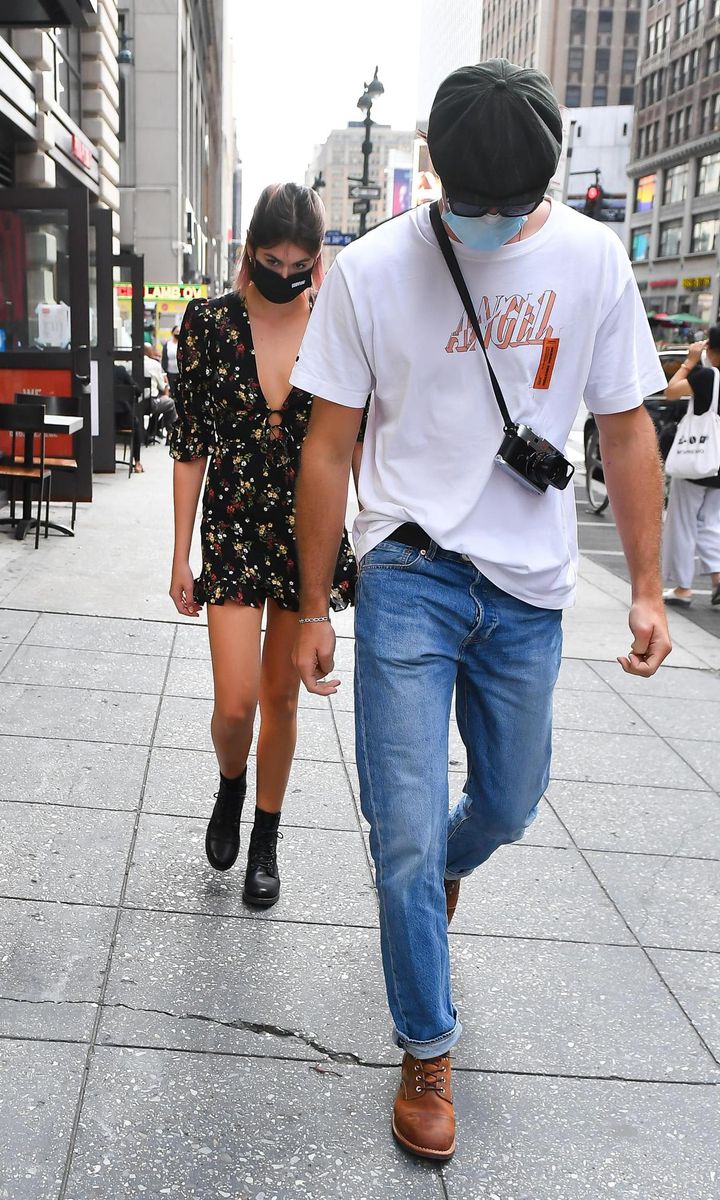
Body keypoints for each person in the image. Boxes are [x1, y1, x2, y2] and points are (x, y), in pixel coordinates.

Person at [290, 59, 672, 1161]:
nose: (494, 223)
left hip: (529, 590)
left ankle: (447, 871)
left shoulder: (594, 259)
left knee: (508, 803)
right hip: (408, 568)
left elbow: (627, 426)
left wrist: (646, 586)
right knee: (399, 835)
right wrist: (317, 605)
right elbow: (328, 444)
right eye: (474, 204)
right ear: (432, 171)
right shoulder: (370, 273)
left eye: (514, 205)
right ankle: (426, 1044)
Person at [168, 182, 356, 908]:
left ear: (317, 258)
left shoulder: (337, 326)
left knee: (282, 699)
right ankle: (230, 784)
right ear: (250, 253)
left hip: (305, 531)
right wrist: (179, 553)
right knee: (237, 702)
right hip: (234, 525)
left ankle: (267, 839)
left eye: (299, 259)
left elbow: (353, 443)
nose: (286, 270)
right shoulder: (210, 323)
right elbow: (189, 446)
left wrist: (369, 533)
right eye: (272, 258)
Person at [662, 326, 720, 608]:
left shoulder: (708, 376)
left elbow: (671, 392)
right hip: (718, 467)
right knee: (712, 523)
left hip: (697, 461)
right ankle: (718, 577)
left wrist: (690, 361)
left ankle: (683, 587)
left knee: (682, 524)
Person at [113, 361, 144, 473]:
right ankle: (137, 462)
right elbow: (137, 390)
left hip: (102, 422)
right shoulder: (120, 371)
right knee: (136, 425)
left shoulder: (96, 372)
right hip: (122, 420)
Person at [144, 347, 177, 440]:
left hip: (134, 404)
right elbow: (162, 386)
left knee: (161, 402)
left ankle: (152, 430)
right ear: (149, 352)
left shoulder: (129, 364)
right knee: (170, 403)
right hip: (150, 403)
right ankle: (170, 435)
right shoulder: (154, 364)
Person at [162, 325, 180, 396]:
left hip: (179, 372)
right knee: (171, 391)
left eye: (179, 332)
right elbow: (164, 359)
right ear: (172, 333)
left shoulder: (182, 344)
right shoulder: (167, 345)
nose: (178, 334)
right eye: (177, 332)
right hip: (170, 372)